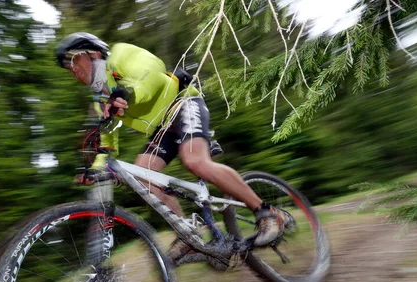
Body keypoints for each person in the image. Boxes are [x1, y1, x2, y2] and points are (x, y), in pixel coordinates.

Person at [55, 32, 291, 248]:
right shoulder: (100, 98)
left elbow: (151, 75)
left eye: (74, 59)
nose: (72, 68)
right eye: (67, 66)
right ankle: (189, 235)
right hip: (162, 128)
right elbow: (104, 141)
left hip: (182, 104)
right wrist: (95, 169)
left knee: (195, 161)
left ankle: (267, 212)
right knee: (141, 176)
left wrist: (126, 91)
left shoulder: (120, 55)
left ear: (94, 53)